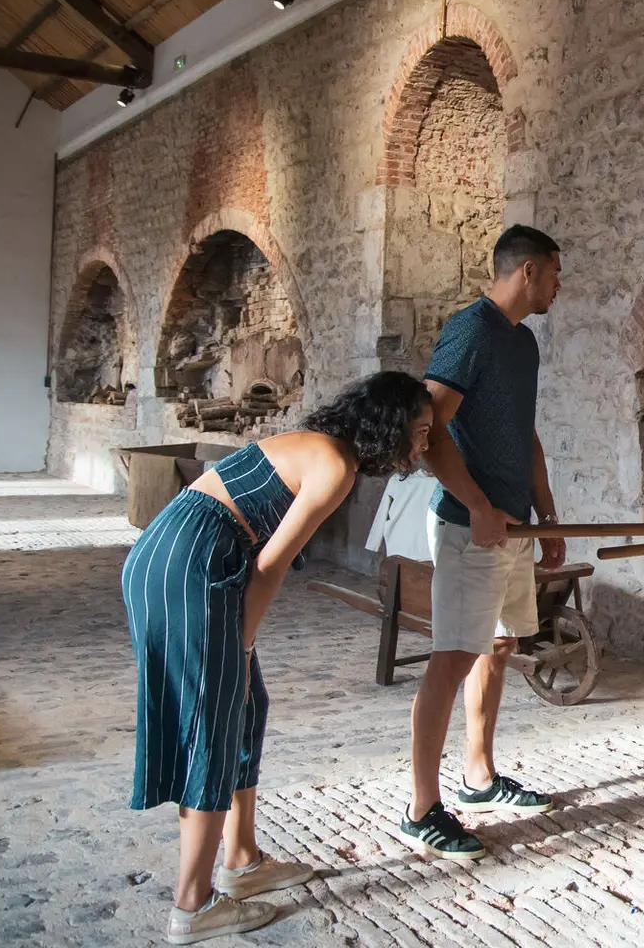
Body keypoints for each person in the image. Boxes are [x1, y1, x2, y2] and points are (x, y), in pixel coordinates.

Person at [122, 372, 433, 944]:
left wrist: (241, 654)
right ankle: (192, 906)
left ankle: (241, 860)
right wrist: (240, 649)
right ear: (388, 426)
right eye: (417, 432)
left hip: (175, 554)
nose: (422, 447)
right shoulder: (335, 466)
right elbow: (270, 564)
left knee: (246, 707)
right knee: (214, 724)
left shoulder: (322, 446)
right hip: (190, 563)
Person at [402, 225, 565, 860]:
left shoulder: (523, 345)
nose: (558, 286)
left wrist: (545, 517)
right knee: (451, 659)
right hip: (470, 526)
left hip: (513, 526)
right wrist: (477, 506)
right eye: (554, 273)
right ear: (527, 271)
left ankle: (478, 777)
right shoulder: (470, 330)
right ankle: (421, 808)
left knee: (497, 647)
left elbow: (525, 439)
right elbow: (426, 426)